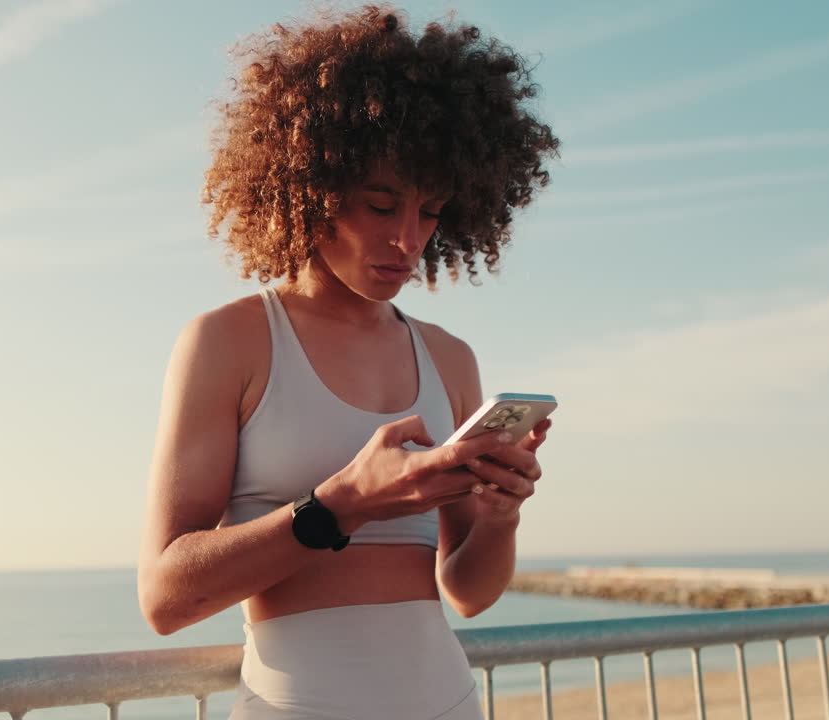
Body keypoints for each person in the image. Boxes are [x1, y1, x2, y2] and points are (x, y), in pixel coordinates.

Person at [138, 5, 559, 718]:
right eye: (380, 204)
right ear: (312, 184)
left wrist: (498, 519)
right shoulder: (230, 342)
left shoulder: (449, 358)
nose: (407, 239)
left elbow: (467, 592)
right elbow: (167, 598)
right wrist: (344, 503)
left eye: (430, 211)